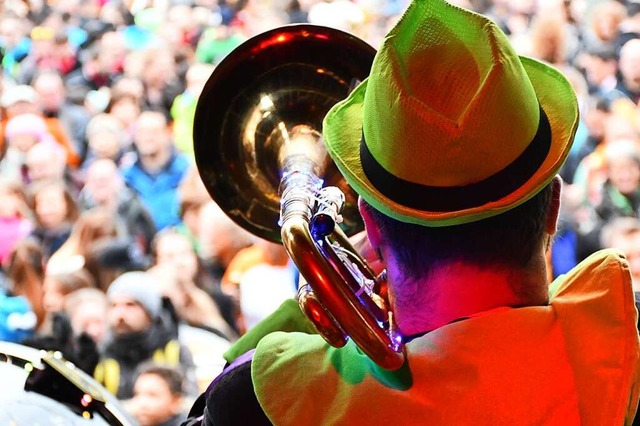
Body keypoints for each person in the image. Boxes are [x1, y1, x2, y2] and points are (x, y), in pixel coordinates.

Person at [185, 1, 640, 425]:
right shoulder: (621, 352)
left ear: (372, 225)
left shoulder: (267, 400)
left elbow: (210, 403)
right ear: (552, 210)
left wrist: (323, 293)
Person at [94, 271, 197, 401]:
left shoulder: (173, 351)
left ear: (150, 312)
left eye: (130, 305)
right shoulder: (100, 353)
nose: (120, 314)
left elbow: (188, 403)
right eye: (114, 305)